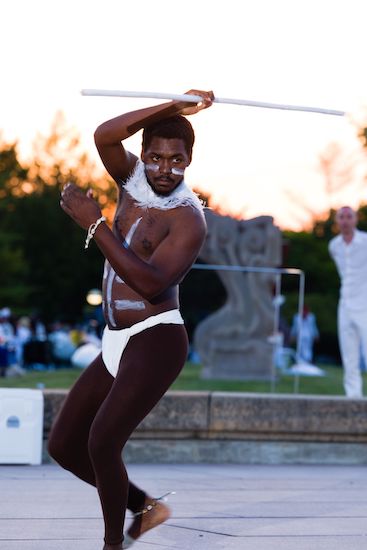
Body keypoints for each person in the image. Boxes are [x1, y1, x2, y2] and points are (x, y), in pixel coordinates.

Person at [48, 89, 214, 549]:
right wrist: (173, 106)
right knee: (63, 446)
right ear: (143, 156)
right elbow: (104, 135)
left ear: (189, 161)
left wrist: (95, 225)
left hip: (157, 339)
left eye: (177, 160)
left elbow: (149, 282)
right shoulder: (132, 181)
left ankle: (111, 544)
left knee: (102, 439)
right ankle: (145, 506)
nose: (165, 169)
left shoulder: (188, 219)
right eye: (156, 158)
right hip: (116, 338)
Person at [328, 206, 367, 398]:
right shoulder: (334, 246)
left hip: (365, 305)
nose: (345, 221)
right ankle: (353, 398)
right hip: (345, 305)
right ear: (337, 221)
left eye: (348, 217)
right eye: (341, 217)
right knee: (349, 355)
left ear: (355, 219)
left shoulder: (365, 241)